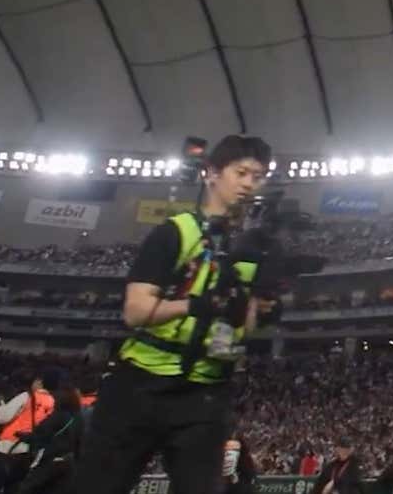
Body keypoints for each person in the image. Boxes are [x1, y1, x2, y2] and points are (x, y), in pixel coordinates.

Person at [76, 134, 274, 494]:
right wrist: (196, 305)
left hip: (206, 391)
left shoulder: (253, 250)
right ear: (212, 173)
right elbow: (135, 312)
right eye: (241, 172)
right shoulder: (176, 233)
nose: (249, 184)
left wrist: (264, 303)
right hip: (140, 382)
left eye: (258, 176)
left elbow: (244, 329)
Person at [0, 370, 54, 494]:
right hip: (29, 454)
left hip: (8, 450)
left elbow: (3, 417)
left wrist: (1, 406)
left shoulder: (27, 396)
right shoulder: (53, 402)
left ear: (39, 382)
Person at [13, 383, 84, 494]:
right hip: (70, 461)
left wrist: (23, 436)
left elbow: (41, 434)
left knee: (27, 488)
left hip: (51, 460)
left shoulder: (58, 416)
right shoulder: (80, 418)